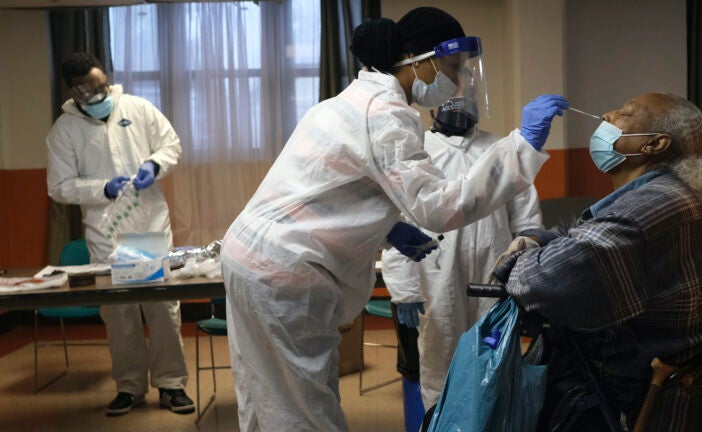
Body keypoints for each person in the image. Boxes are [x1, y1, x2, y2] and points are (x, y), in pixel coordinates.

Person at [220, 7, 568, 431]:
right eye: (453, 68)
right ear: (421, 60)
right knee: (303, 410)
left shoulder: (347, 101)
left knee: (264, 392)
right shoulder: (387, 113)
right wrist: (522, 146)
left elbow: (325, 188)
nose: (457, 82)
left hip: (251, 258)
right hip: (287, 273)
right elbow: (439, 208)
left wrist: (385, 226)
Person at [495, 93, 702, 431]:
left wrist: (518, 259)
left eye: (625, 113)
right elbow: (584, 235)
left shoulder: (647, 209)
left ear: (654, 143)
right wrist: (540, 240)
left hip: (638, 403)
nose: (607, 112)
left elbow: (543, 283)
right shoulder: (658, 194)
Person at [46, 52, 194, 416]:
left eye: (102, 86)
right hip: (106, 230)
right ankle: (129, 387)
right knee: (119, 311)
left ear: (107, 79)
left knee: (161, 305)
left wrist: (153, 164)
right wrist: (102, 189)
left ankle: (171, 384)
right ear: (73, 92)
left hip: (149, 223)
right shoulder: (64, 131)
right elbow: (59, 186)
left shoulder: (138, 108)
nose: (98, 96)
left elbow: (170, 145)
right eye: (88, 91)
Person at [381, 94, 544, 410]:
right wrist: (404, 289)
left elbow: (526, 220)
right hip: (435, 277)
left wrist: (524, 274)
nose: (458, 104)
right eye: (449, 97)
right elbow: (397, 221)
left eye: (466, 96)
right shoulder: (415, 152)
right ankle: (439, 422)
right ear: (431, 104)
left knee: (492, 357)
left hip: (493, 274)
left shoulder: (501, 150)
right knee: (439, 358)